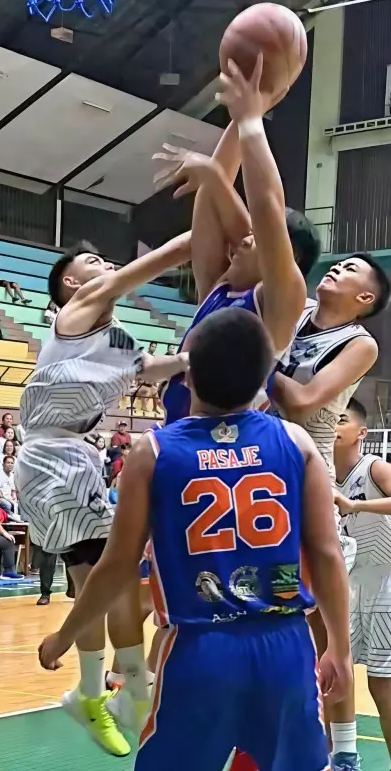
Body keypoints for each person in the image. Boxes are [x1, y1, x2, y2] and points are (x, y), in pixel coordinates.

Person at [38, 308, 352, 771]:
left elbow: (118, 563)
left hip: (200, 648)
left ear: (187, 378)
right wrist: (339, 647)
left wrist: (65, 636)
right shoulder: (297, 441)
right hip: (285, 645)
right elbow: (326, 553)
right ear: (265, 380)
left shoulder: (153, 451)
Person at [15, 232, 192, 756]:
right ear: (72, 283)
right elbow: (162, 259)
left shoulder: (115, 339)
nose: (107, 265)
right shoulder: (76, 312)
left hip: (70, 458)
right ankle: (129, 687)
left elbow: (150, 369)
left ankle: (95, 693)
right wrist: (213, 225)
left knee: (97, 578)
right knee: (112, 571)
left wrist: (197, 358)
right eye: (94, 261)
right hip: (52, 456)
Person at [272, 254, 390, 771]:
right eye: (337, 263)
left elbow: (301, 401)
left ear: (366, 298)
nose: (338, 268)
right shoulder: (294, 310)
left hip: (304, 472)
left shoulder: (360, 343)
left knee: (322, 634)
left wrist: (253, 363)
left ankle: (343, 752)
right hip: (255, 464)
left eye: (352, 269)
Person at [154, 57, 319, 424]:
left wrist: (251, 122)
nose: (243, 239)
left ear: (286, 253)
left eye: (255, 236)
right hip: (181, 434)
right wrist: (245, 109)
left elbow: (266, 206)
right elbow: (210, 204)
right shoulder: (219, 286)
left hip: (233, 445)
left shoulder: (281, 301)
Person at [335, 398, 391, 760]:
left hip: (386, 582)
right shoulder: (322, 475)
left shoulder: (374, 468)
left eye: (342, 420)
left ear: (362, 432)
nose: (334, 427)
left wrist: (356, 505)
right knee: (333, 676)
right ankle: (340, 758)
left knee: (382, 685)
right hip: (349, 586)